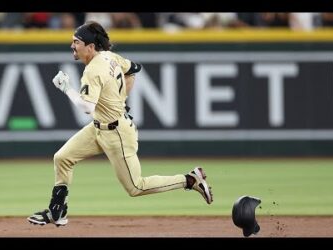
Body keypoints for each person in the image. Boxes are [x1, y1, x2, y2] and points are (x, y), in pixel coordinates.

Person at [27, 21, 213, 227]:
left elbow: (87, 107)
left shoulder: (93, 70)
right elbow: (133, 69)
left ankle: (189, 180)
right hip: (99, 127)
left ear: (90, 47)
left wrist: (66, 88)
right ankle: (57, 211)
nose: (72, 46)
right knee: (62, 158)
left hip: (117, 134)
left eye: (76, 42)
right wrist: (119, 98)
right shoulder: (109, 56)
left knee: (136, 187)